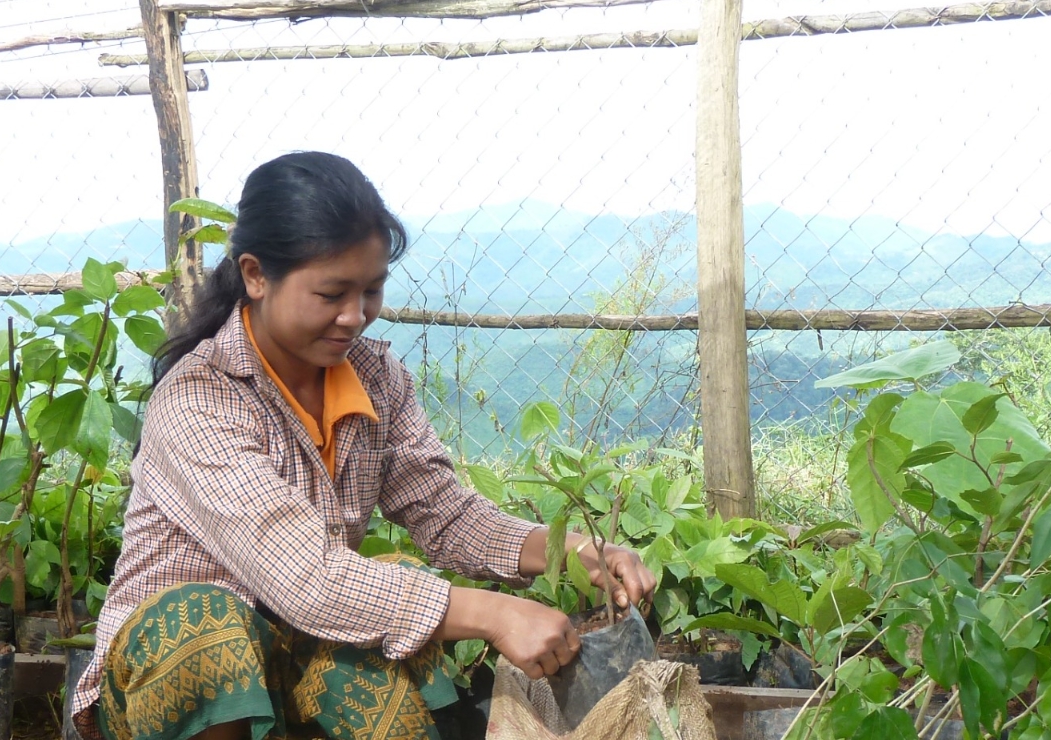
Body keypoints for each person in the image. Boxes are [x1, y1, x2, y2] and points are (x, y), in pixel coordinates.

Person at [70, 152, 656, 740]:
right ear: (255, 275)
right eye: (331, 294)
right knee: (203, 624)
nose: (355, 317)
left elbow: (447, 514)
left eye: (371, 290)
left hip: (294, 652)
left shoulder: (375, 378)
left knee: (382, 609)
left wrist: (573, 551)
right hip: (166, 686)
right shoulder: (200, 397)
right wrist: (495, 613)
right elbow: (306, 578)